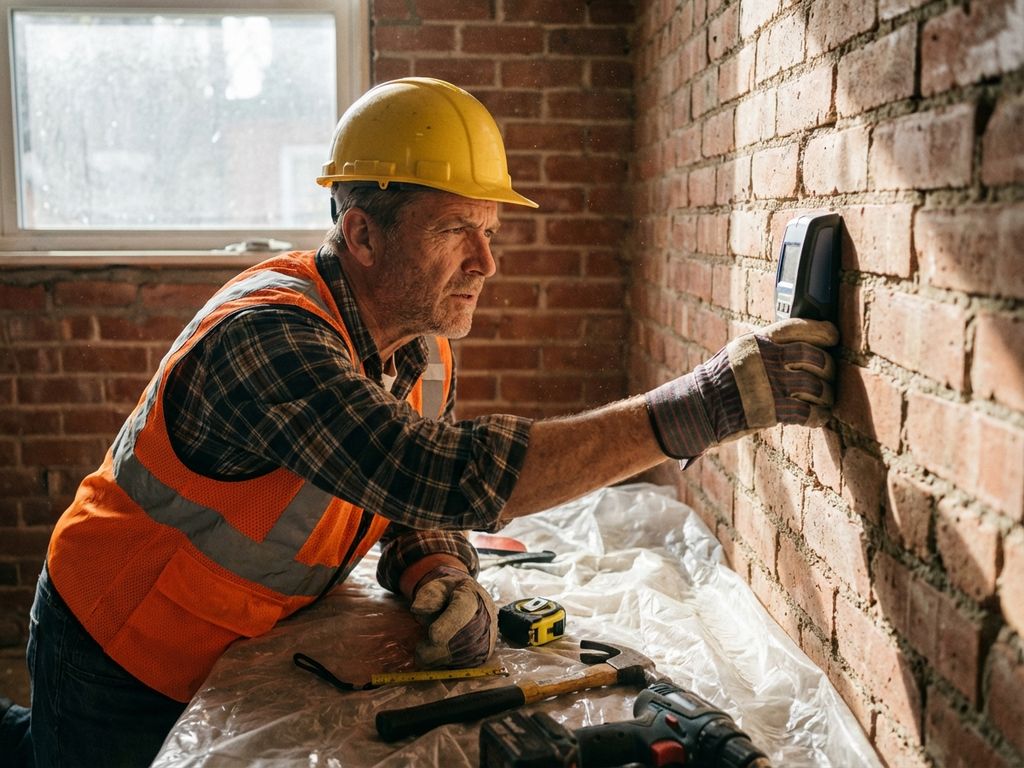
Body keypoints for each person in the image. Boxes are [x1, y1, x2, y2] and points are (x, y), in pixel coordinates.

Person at [0, 77, 837, 767]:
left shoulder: (419, 349)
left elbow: (408, 502)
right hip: (119, 640)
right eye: (455, 231)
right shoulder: (271, 339)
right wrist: (698, 407)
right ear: (360, 233)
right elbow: (438, 472)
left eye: (491, 230)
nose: (487, 262)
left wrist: (433, 564)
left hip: (227, 635)